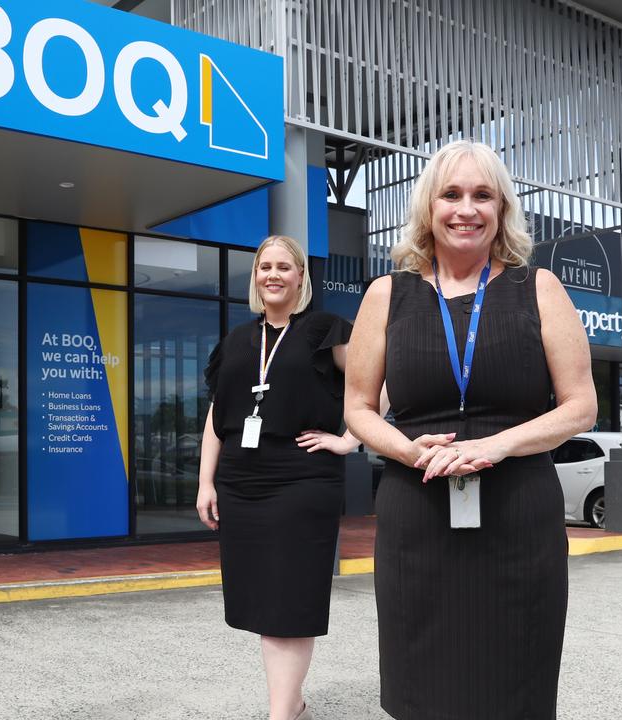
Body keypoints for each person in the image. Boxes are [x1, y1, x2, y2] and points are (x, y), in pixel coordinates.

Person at [344, 139, 597, 719]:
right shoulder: (387, 295)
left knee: (515, 683)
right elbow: (357, 408)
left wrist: (497, 444)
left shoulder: (538, 288)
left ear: (502, 208)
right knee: (423, 687)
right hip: (418, 510)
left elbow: (581, 406)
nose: (466, 209)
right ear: (427, 208)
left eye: (483, 195)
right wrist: (408, 451)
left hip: (518, 515)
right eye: (451, 194)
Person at [197, 235, 359, 720]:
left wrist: (349, 439)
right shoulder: (238, 341)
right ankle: (291, 706)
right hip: (241, 483)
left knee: (290, 602)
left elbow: (377, 383)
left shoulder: (324, 329)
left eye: (284, 267)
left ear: (301, 277)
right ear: (255, 277)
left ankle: (280, 715)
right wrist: (206, 482)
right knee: (265, 605)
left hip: (303, 479)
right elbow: (216, 415)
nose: (273, 275)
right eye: (264, 266)